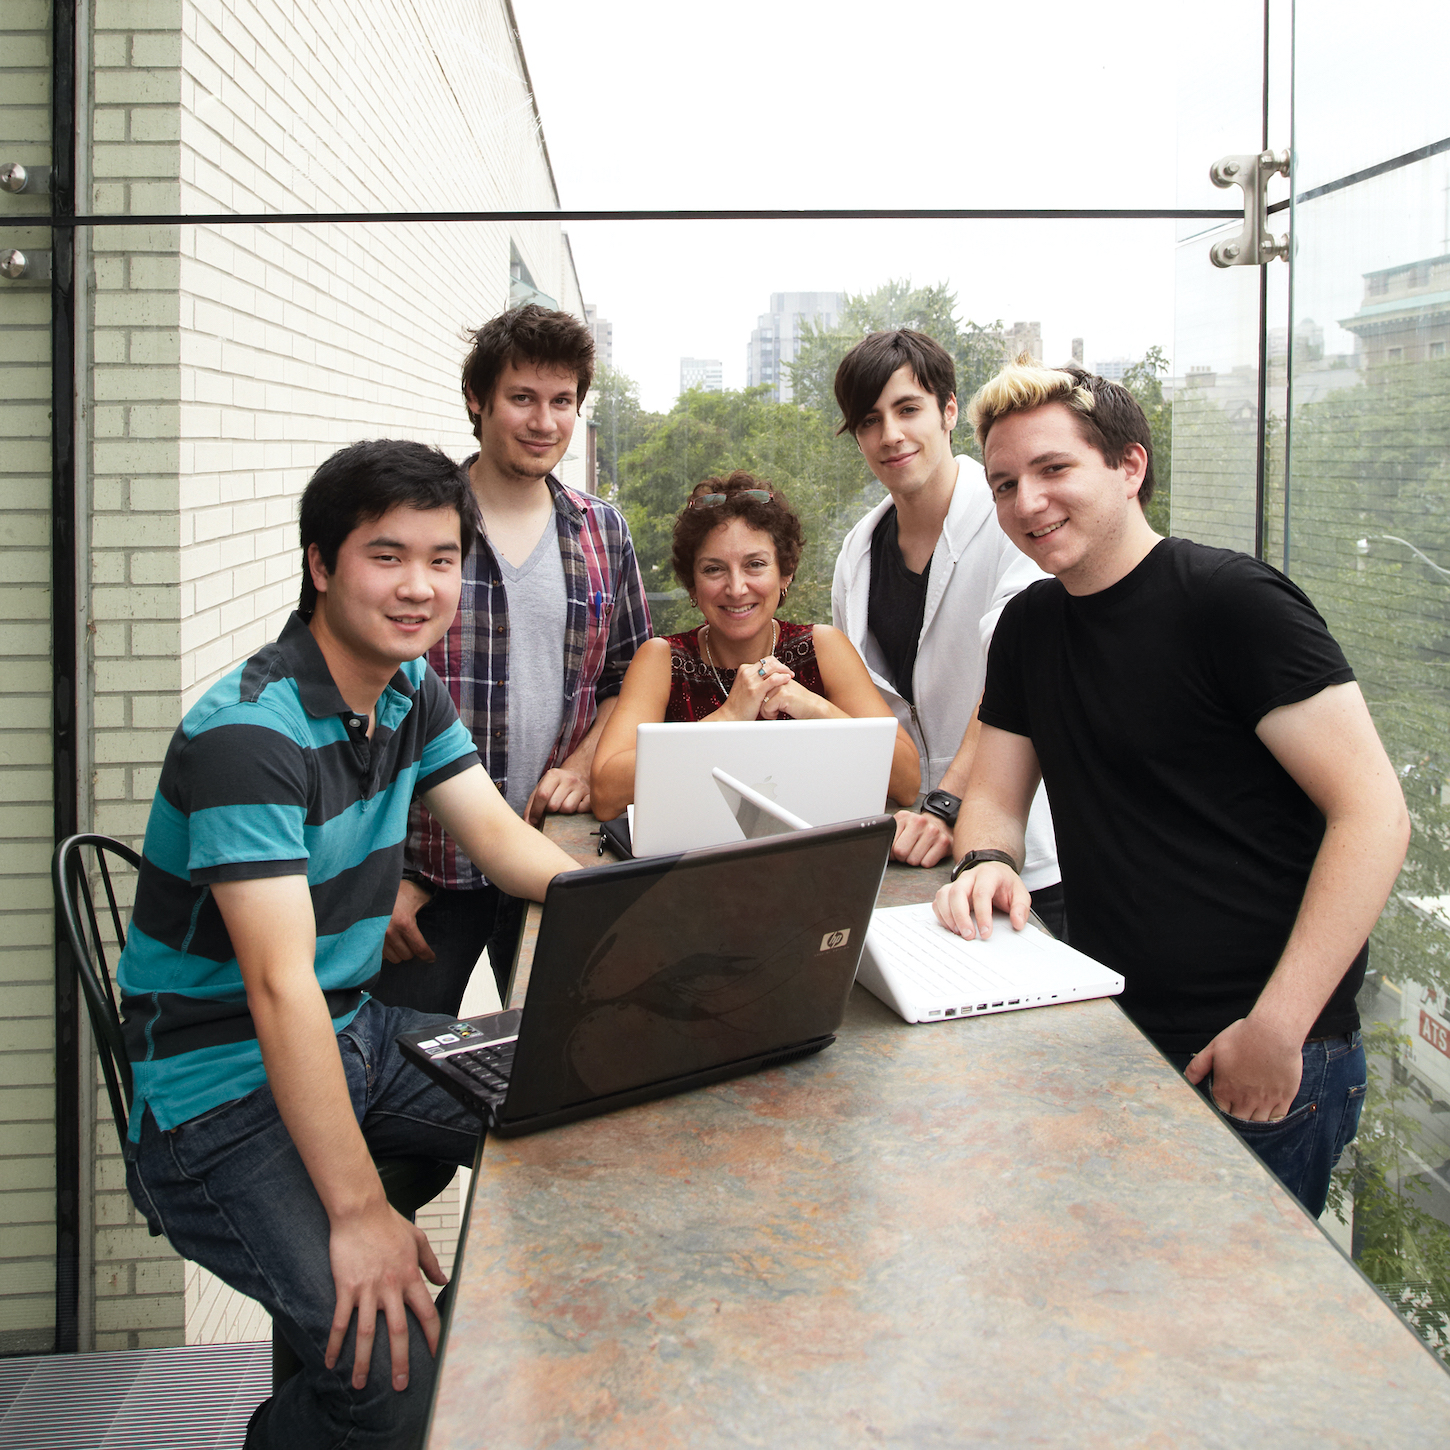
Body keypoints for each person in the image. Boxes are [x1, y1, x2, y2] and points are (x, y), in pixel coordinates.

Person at [118, 441, 582, 1448]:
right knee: (392, 1382)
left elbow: (504, 846)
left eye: (443, 557)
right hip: (212, 1094)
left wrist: (653, 911)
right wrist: (361, 1209)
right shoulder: (249, 734)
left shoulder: (408, 691)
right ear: (321, 564)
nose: (420, 586)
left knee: (592, 1119)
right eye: (387, 555)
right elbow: (280, 989)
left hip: (354, 1035)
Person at [933, 359, 1410, 1218]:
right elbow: (997, 798)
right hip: (1114, 1025)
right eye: (1003, 484)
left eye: (1053, 470)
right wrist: (988, 861)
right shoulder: (1030, 627)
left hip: (1259, 1046)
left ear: (1129, 466)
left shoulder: (1233, 603)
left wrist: (1278, 1027)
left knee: (1247, 1334)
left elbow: (1373, 815)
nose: (1026, 503)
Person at [373, 305, 650, 1017]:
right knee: (397, 1076)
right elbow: (355, 702)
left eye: (562, 402)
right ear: (478, 401)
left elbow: (627, 682)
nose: (543, 421)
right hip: (424, 872)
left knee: (565, 1057)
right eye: (522, 398)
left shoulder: (602, 532)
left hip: (553, 850)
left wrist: (584, 764)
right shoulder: (416, 531)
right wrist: (378, 876)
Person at [830, 329, 1064, 935]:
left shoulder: (1014, 519)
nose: (891, 435)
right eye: (868, 421)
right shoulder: (859, 550)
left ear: (949, 410)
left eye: (908, 409)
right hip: (909, 844)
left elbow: (1013, 679)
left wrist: (947, 802)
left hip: (1018, 851)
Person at [591, 472, 919, 818]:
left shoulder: (822, 648)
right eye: (714, 569)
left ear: (786, 572)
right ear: (692, 584)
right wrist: (728, 718)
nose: (736, 588)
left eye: (755, 565)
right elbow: (605, 790)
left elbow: (906, 780)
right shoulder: (662, 660)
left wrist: (814, 708)